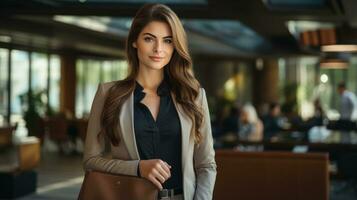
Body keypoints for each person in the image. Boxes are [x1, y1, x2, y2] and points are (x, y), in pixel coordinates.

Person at [83, 3, 216, 200]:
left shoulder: (193, 96)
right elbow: (91, 161)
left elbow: (206, 165)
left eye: (168, 41)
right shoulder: (108, 93)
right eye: (149, 39)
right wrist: (138, 168)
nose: (158, 49)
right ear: (135, 41)